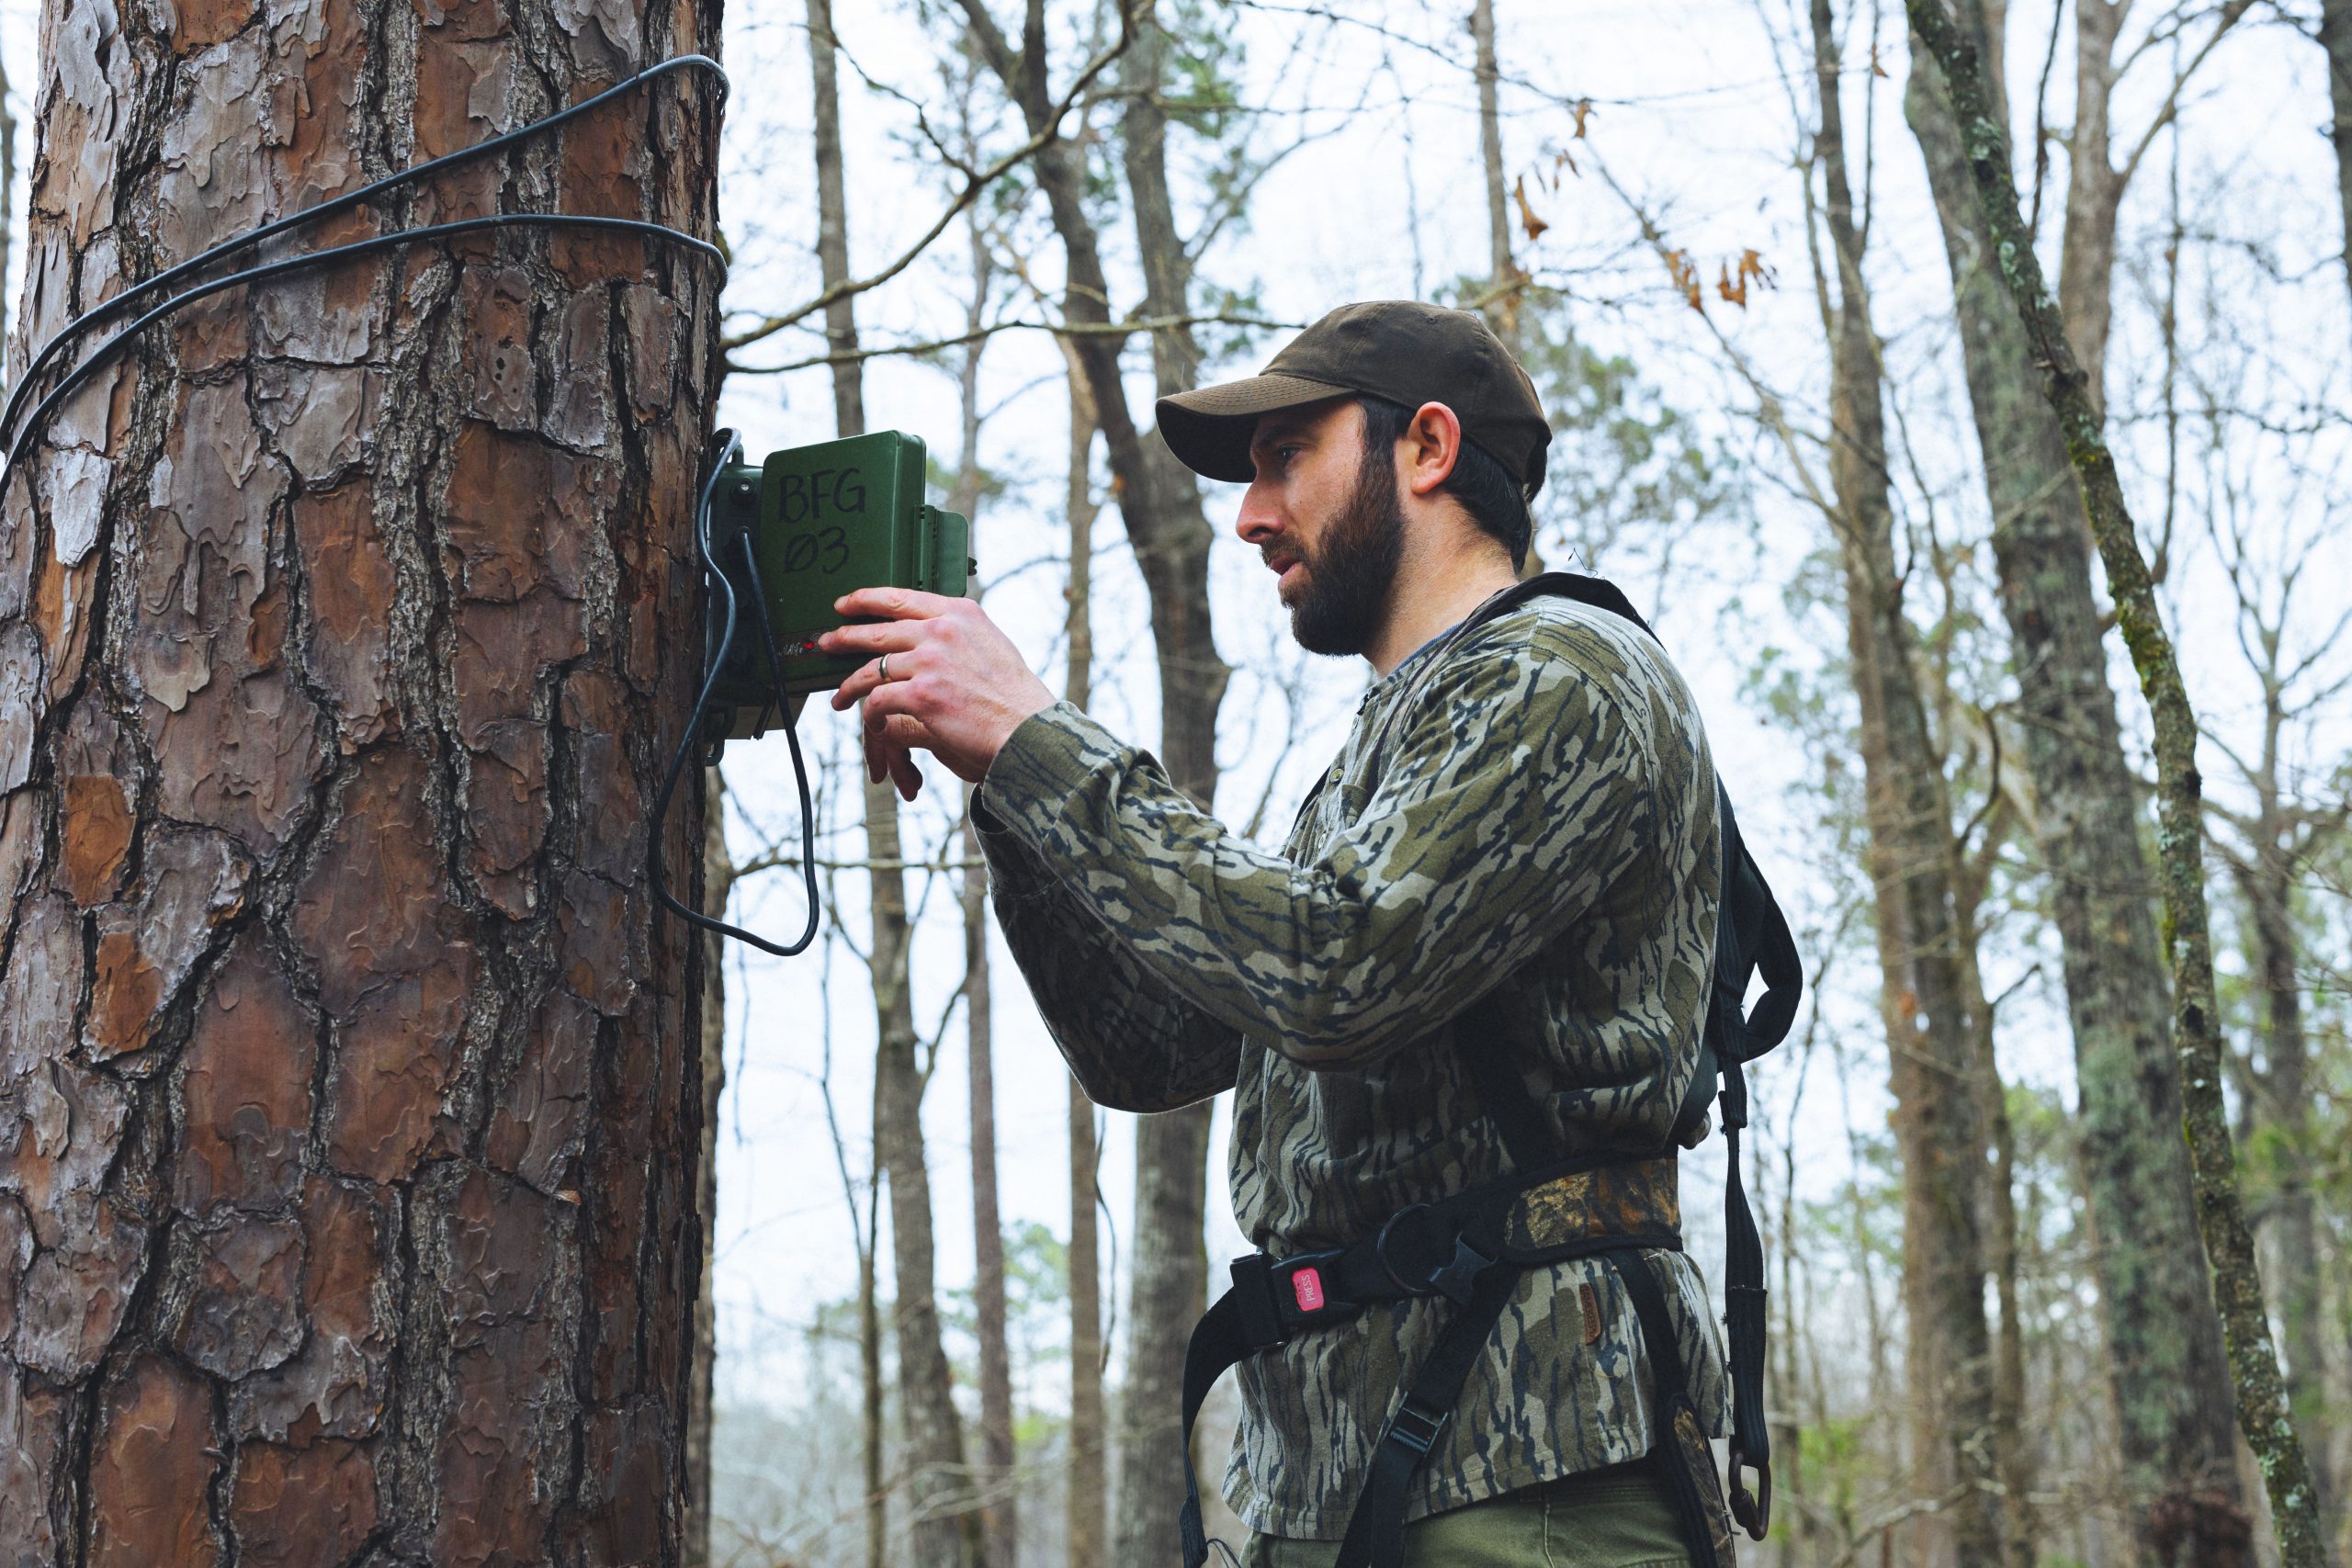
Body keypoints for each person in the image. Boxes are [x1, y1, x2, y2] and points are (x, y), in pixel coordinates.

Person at [816, 300, 1732, 1567]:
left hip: (1533, 1483)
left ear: (1425, 448)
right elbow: (1155, 1048)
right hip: (1344, 1480)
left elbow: (1331, 971)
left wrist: (1038, 734)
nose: (1250, 515)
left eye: (1285, 457)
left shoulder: (1560, 676)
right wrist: (1005, 782)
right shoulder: (1392, 746)